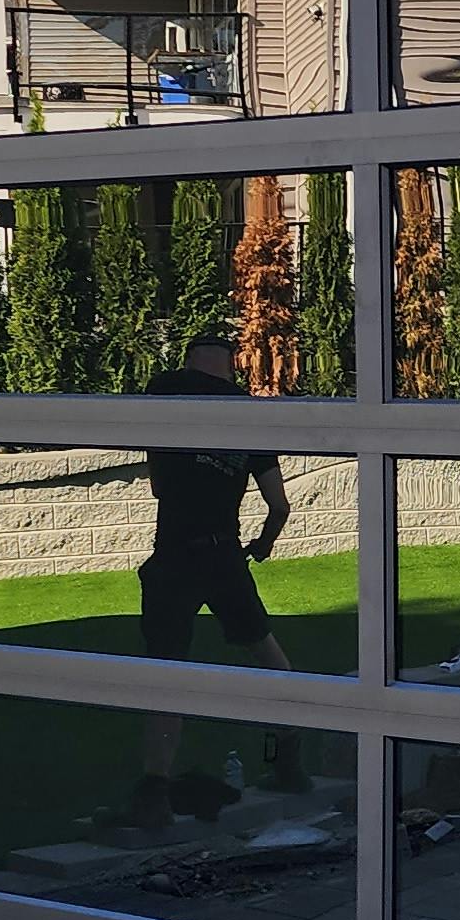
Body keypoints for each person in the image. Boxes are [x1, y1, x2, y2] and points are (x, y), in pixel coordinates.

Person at [133, 334, 297, 815]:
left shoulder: (163, 390)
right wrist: (263, 543)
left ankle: (154, 790)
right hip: (225, 553)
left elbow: (157, 480)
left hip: (176, 553)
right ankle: (288, 760)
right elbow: (279, 505)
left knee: (166, 669)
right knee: (266, 651)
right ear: (229, 367)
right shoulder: (249, 416)